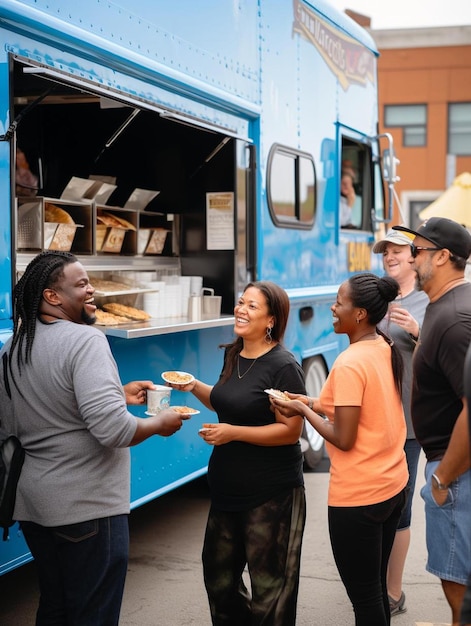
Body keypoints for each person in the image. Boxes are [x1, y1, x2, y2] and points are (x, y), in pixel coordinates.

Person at [0, 250, 188, 625]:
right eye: (82, 284)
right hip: (86, 507)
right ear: (52, 296)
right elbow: (113, 430)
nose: (92, 291)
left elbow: (36, 412)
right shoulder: (86, 341)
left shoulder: (13, 347)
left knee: (55, 607)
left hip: (36, 508)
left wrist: (115, 393)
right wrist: (159, 423)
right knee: (93, 614)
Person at [270, 272, 409, 626]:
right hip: (392, 485)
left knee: (365, 600)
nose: (332, 308)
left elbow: (343, 437)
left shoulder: (349, 361)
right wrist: (311, 401)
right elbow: (358, 407)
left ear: (359, 313)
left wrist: (301, 411)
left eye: (339, 303)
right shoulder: (383, 345)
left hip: (360, 496)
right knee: (376, 590)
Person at [167, 281, 306, 626]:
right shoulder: (234, 353)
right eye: (241, 302)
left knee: (270, 594)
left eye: (252, 306)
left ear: (271, 320)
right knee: (219, 581)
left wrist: (233, 433)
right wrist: (193, 386)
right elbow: (227, 402)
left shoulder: (283, 365)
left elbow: (291, 432)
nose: (241, 310)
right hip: (227, 490)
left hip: (271, 493)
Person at [392, 217, 471, 626]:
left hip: (456, 474)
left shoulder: (456, 318)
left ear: (442, 257)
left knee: (461, 584)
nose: (409, 257)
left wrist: (442, 480)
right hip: (451, 470)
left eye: (417, 251)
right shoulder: (446, 307)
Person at [372, 228, 429, 616]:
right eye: (384, 251)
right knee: (373, 504)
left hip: (408, 424)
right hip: (373, 418)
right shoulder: (376, 298)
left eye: (397, 251)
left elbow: (449, 355)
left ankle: (393, 593)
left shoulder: (430, 300)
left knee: (400, 508)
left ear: (414, 256)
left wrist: (417, 332)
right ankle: (372, 584)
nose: (389, 256)